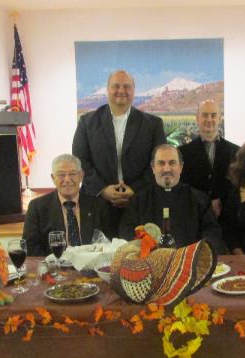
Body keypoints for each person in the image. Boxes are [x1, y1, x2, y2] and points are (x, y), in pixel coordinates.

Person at [72, 70, 166, 227]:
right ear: (107, 90)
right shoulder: (87, 123)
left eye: (126, 86)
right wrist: (103, 190)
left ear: (134, 91)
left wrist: (134, 190)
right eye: (116, 86)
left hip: (140, 203)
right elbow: (79, 160)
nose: (121, 91)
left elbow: (159, 162)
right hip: (97, 204)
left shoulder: (153, 124)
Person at [119, 144, 225, 253]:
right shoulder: (139, 200)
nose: (167, 168)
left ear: (181, 167)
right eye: (161, 163)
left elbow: (212, 233)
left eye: (172, 163)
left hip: (189, 263)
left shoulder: (200, 199)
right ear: (153, 167)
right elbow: (126, 232)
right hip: (150, 263)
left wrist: (198, 252)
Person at [22, 154, 113, 256]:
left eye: (72, 174)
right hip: (53, 268)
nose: (67, 180)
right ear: (53, 178)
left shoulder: (98, 205)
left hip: (90, 267)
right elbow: (30, 248)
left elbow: (108, 244)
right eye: (61, 175)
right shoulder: (37, 207)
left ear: (81, 176)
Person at [179, 99, 239, 219]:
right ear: (197, 118)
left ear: (220, 118)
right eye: (205, 115)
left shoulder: (236, 152)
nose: (209, 120)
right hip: (194, 218)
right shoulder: (182, 152)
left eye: (213, 115)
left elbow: (238, 186)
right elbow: (182, 187)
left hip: (228, 219)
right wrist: (205, 203)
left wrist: (221, 201)